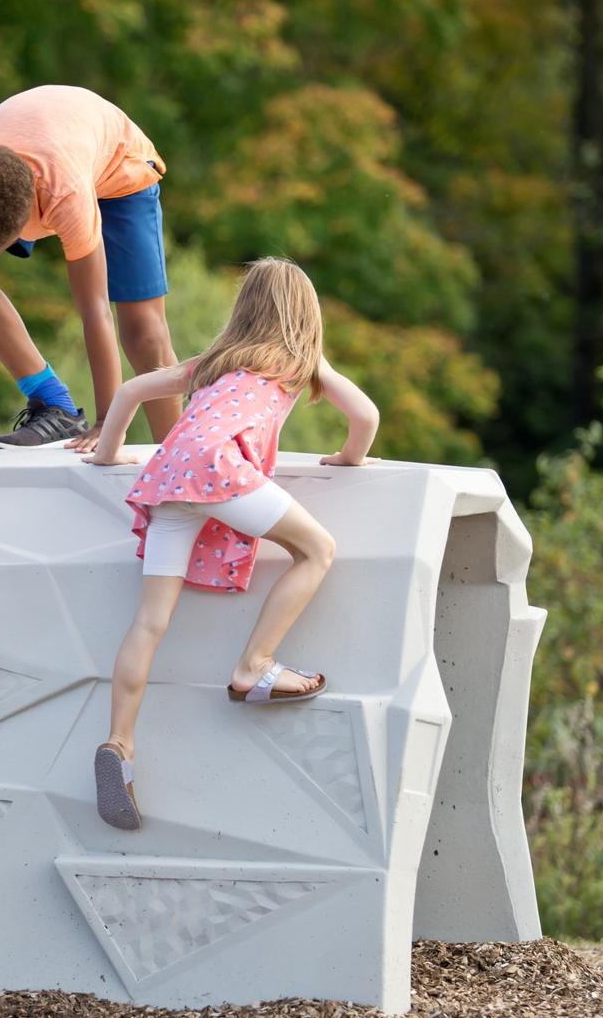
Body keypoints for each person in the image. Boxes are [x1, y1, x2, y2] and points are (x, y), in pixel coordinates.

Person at [79, 258, 381, 829]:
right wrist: (349, 459)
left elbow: (134, 389)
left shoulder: (213, 364)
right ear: (305, 315)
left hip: (170, 477)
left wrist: (107, 453)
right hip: (220, 472)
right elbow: (365, 415)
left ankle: (119, 743)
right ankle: (254, 665)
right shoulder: (299, 362)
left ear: (245, 308)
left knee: (149, 622)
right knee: (316, 550)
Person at [0, 84, 183, 457]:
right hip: (29, 155)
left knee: (143, 333)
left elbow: (95, 309)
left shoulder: (64, 193)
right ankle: (55, 405)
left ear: (25, 222)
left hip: (118, 168)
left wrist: (106, 422)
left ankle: (179, 461)